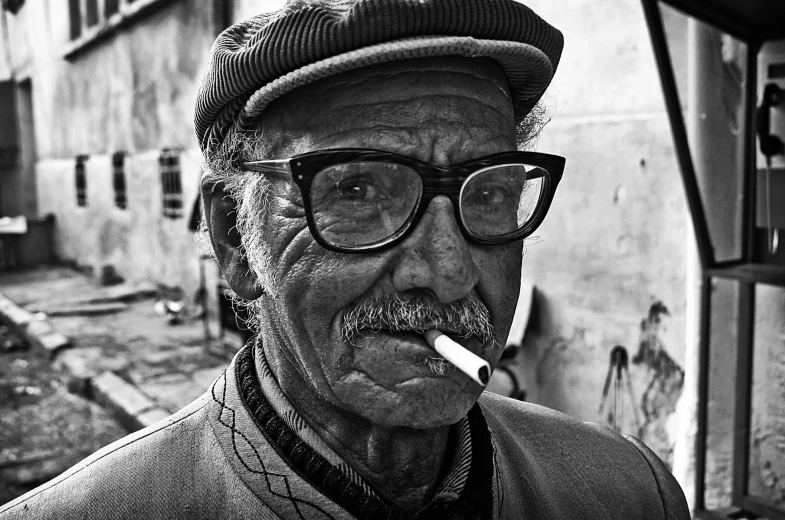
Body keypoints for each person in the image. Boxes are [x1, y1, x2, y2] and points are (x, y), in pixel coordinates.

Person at [0, 0, 691, 518]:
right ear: (236, 242)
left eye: (491, 193)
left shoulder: (625, 492)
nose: (449, 273)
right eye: (356, 190)